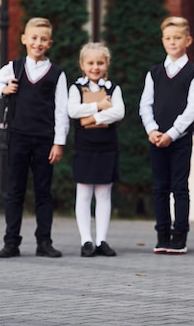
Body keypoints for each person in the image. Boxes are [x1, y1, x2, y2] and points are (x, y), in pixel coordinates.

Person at [0, 17, 69, 259]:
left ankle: (44, 242)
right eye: (33, 38)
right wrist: (3, 89)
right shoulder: (14, 67)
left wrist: (58, 142)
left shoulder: (57, 74)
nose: (38, 43)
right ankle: (11, 242)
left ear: (50, 43)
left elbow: (61, 110)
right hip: (18, 137)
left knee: (43, 192)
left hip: (45, 140)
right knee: (15, 191)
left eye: (43, 39)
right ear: (24, 39)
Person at [139, 16, 194, 255]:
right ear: (163, 41)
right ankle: (162, 234)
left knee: (179, 187)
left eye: (177, 38)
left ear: (187, 40)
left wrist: (173, 133)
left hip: (180, 139)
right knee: (159, 187)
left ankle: (180, 235)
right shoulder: (154, 73)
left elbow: (193, 107)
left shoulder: (193, 73)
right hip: (156, 137)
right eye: (168, 38)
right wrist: (152, 130)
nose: (172, 42)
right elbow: (145, 104)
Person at [68, 42, 125, 257]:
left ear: (106, 64)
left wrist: (92, 117)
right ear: (82, 65)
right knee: (83, 193)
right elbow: (73, 110)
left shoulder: (113, 88)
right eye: (90, 63)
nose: (95, 67)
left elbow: (119, 112)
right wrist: (99, 106)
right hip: (84, 146)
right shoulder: (75, 88)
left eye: (100, 63)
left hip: (107, 145)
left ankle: (102, 239)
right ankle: (86, 241)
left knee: (103, 193)